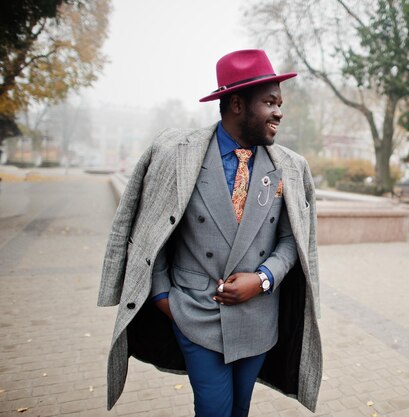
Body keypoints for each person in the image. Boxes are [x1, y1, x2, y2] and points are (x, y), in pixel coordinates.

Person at [97, 49, 322, 417]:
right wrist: (163, 298)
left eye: (279, 103)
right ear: (236, 103)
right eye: (269, 102)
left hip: (258, 317)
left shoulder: (291, 168)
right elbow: (150, 232)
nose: (279, 112)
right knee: (214, 408)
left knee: (240, 409)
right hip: (195, 313)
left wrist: (264, 280)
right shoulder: (176, 154)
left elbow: (293, 241)